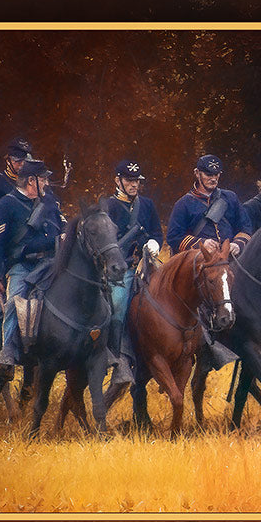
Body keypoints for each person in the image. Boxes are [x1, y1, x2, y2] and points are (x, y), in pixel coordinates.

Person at [0, 159, 64, 377]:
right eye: (43, 179)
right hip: (23, 266)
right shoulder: (5, 205)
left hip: (51, 264)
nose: (47, 182)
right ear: (31, 181)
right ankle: (8, 351)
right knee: (14, 301)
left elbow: (62, 224)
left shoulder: (50, 203)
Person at [103, 158, 163, 387]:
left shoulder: (146, 205)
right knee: (118, 306)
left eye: (137, 180)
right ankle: (118, 357)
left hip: (146, 265)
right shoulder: (108, 206)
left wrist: (155, 243)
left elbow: (157, 232)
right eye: (129, 180)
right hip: (121, 270)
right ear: (117, 180)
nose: (134, 184)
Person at [166, 154, 252, 256]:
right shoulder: (183, 204)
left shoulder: (230, 197)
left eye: (216, 175)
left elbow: (245, 227)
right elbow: (174, 237)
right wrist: (201, 243)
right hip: (200, 260)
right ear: (197, 173)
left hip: (231, 257)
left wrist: (238, 244)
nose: (213, 179)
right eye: (208, 175)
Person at [0, 137, 33, 223]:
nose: (22, 165)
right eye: (18, 162)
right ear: (8, 161)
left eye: (25, 161)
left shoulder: (34, 181)